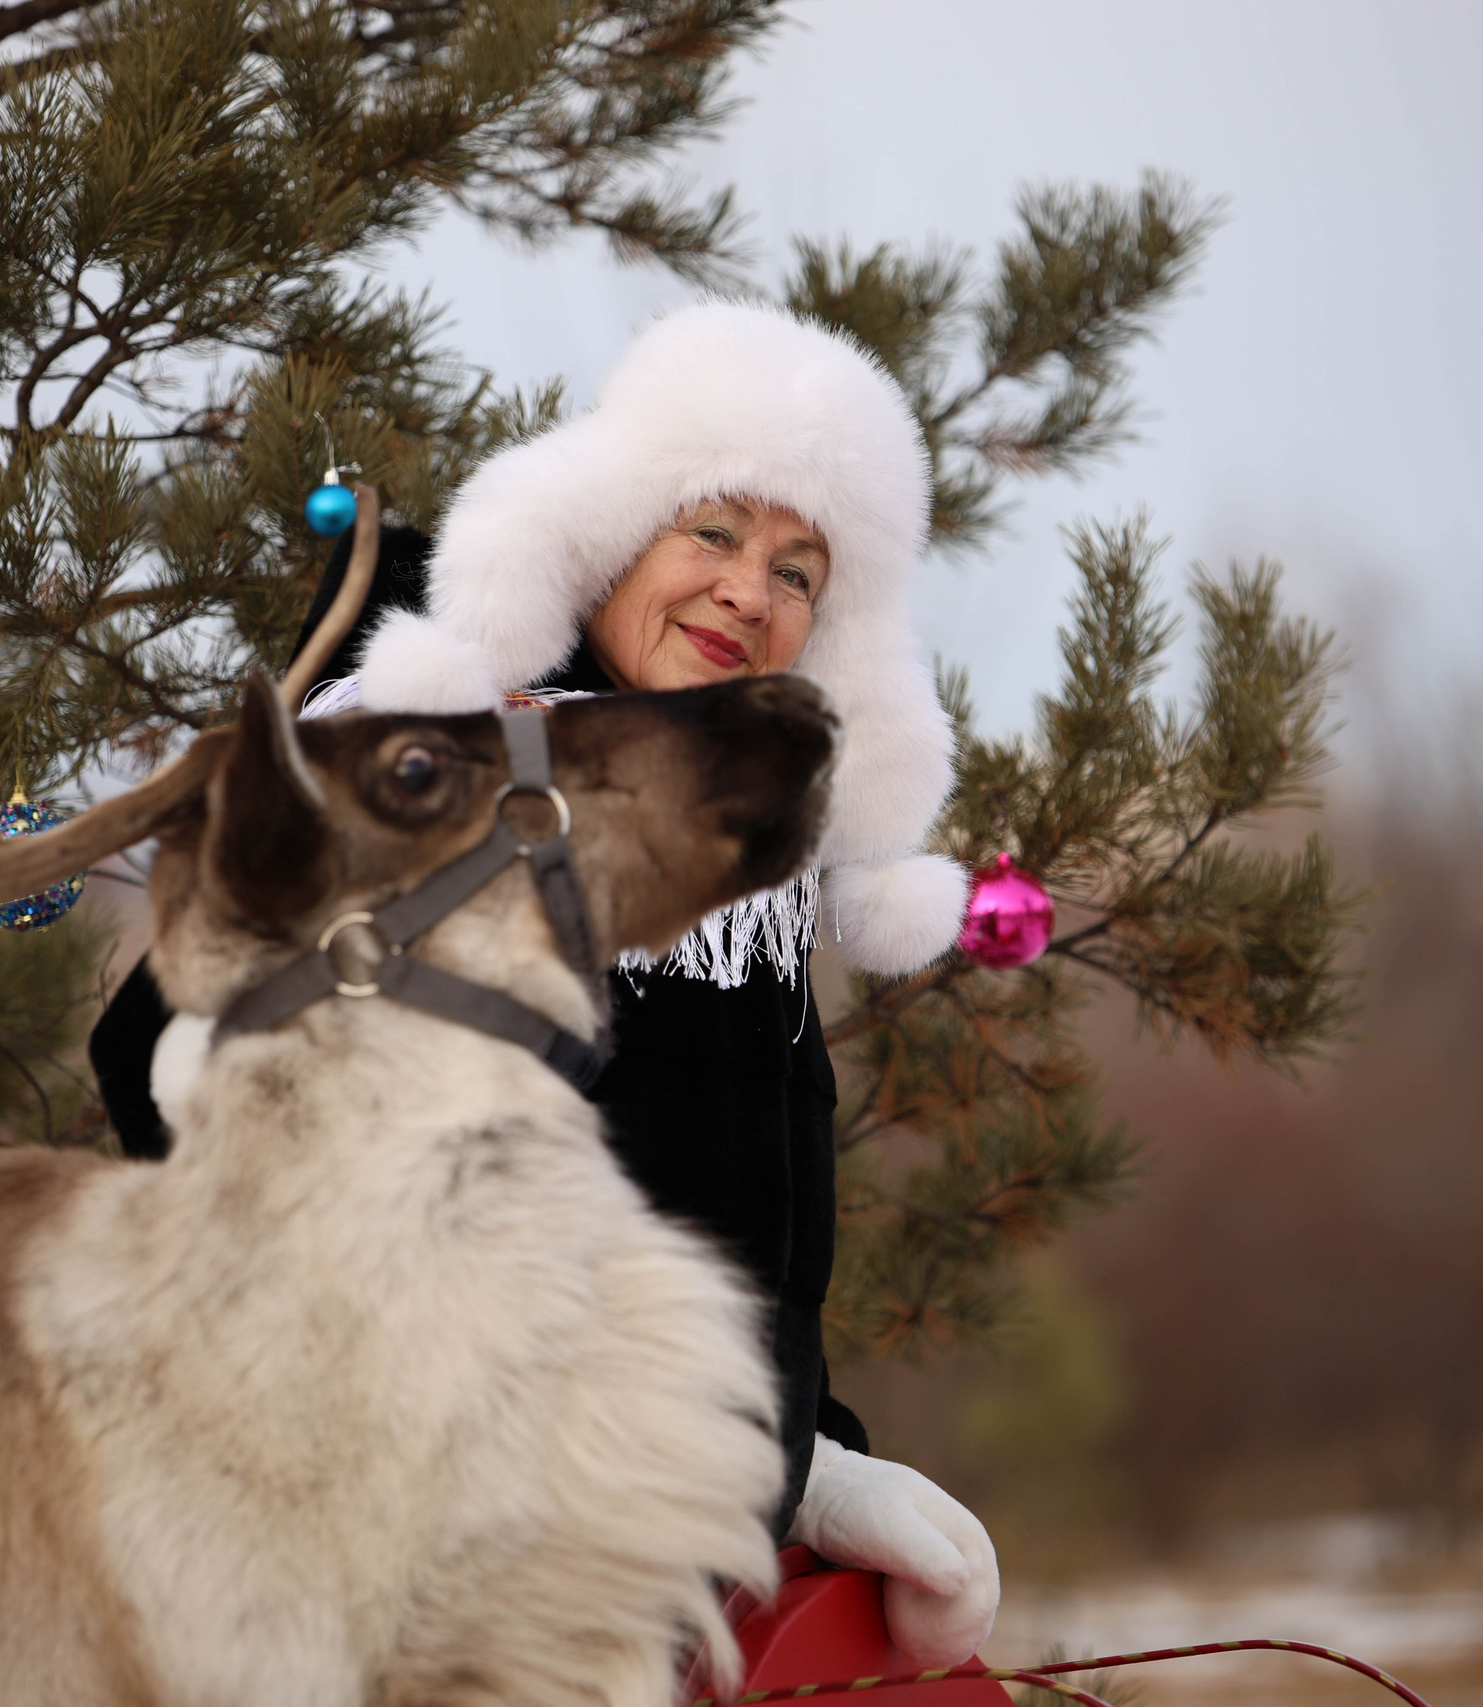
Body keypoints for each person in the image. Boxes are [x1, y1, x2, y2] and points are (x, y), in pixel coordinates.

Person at [88, 303, 999, 1665]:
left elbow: (745, 1237)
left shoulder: (752, 867)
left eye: (800, 569)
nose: (752, 592)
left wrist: (814, 1462)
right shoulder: (452, 783)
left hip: (681, 1544)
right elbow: (155, 1056)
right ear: (612, 532)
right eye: (713, 533)